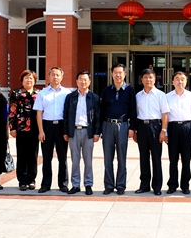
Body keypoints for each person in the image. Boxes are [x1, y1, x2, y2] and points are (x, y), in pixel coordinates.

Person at [33, 67, 72, 194]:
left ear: (62, 77)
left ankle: (63, 183)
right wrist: (41, 131)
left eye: (58, 75)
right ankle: (46, 184)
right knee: (46, 157)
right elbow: (39, 113)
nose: (55, 77)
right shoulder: (42, 93)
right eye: (53, 75)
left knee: (62, 157)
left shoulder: (67, 93)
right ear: (49, 76)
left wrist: (67, 131)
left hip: (61, 127)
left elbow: (69, 113)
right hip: (47, 126)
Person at [100, 63, 137, 195]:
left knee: (122, 157)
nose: (118, 75)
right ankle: (109, 185)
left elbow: (133, 110)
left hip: (123, 126)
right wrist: (99, 129)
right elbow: (101, 110)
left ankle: (121, 185)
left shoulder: (130, 90)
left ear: (125, 74)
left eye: (120, 72)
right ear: (111, 74)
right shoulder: (106, 90)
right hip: (107, 125)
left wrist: (132, 128)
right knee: (108, 157)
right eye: (115, 72)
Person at [63, 71, 101, 196]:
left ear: (89, 82)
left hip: (88, 132)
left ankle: (88, 184)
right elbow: (65, 115)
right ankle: (75, 185)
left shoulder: (94, 98)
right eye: (80, 79)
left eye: (85, 80)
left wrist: (97, 132)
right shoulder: (70, 97)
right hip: (73, 131)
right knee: (75, 160)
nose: (83, 82)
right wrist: (65, 131)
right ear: (76, 81)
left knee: (88, 160)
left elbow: (97, 117)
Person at [134, 68, 169, 195]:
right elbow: (135, 114)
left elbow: (165, 114)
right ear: (142, 80)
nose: (148, 80)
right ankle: (144, 185)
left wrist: (163, 131)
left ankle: (157, 186)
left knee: (156, 158)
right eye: (146, 77)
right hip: (141, 127)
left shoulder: (161, 95)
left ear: (155, 79)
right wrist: (135, 131)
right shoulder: (138, 96)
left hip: (155, 127)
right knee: (143, 157)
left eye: (151, 77)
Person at [165, 71, 191, 195]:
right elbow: (165, 116)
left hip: (186, 128)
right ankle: (172, 184)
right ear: (173, 82)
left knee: (186, 159)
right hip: (173, 128)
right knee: (173, 159)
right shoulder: (167, 96)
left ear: (186, 81)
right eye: (177, 79)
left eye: (182, 79)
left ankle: (185, 184)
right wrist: (165, 133)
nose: (180, 82)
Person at [8, 70, 40, 191]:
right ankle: (22, 181)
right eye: (26, 78)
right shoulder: (16, 93)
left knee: (33, 155)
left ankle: (31, 179)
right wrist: (12, 128)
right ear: (22, 80)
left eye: (31, 78)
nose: (29, 80)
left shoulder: (39, 94)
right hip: (21, 128)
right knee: (22, 155)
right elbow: (12, 111)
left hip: (35, 129)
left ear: (34, 81)